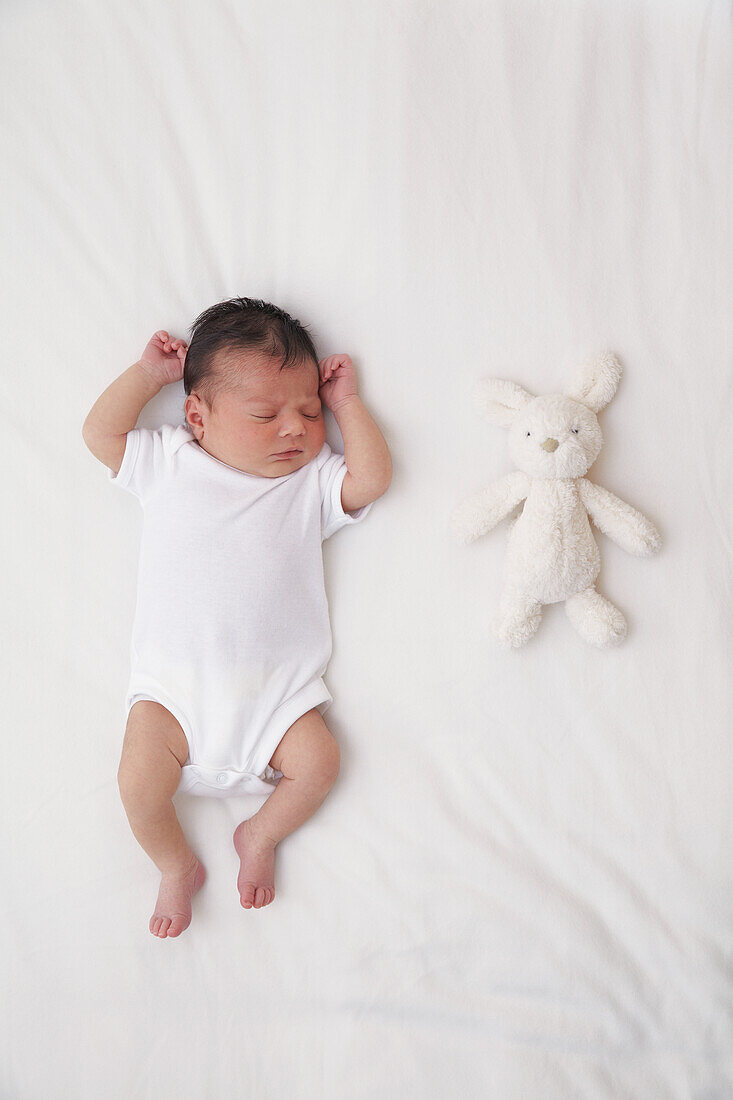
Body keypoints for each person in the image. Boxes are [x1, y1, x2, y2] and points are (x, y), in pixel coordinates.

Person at [82, 297, 392, 938]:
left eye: (308, 412)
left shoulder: (308, 484)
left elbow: (371, 479)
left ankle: (261, 833)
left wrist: (347, 407)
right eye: (266, 414)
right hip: (173, 698)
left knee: (322, 765)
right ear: (198, 416)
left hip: (278, 700)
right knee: (139, 789)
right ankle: (174, 867)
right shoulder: (168, 463)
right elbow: (99, 435)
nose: (294, 430)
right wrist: (146, 377)